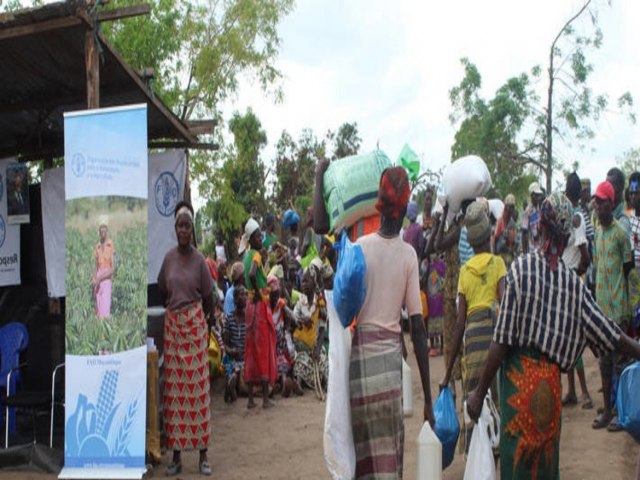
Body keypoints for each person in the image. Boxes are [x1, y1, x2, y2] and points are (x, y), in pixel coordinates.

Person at [466, 192, 640, 480]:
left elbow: (502, 340)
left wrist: (479, 392)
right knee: (545, 466)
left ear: (541, 227)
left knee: (517, 464)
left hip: (518, 389)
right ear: (567, 232)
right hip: (549, 388)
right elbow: (610, 335)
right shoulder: (574, 285)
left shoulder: (520, 269)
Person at [350, 166, 434, 478]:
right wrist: (427, 398)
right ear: (404, 208)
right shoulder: (408, 255)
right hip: (388, 365)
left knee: (364, 455)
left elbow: (347, 307)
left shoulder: (360, 248)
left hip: (359, 363)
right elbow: (419, 330)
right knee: (389, 457)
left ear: (380, 203)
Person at [439, 202, 506, 449]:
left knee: (473, 395)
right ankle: (496, 447)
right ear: (489, 234)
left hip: (472, 341)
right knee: (494, 393)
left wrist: (447, 374)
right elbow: (506, 304)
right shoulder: (497, 264)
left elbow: (459, 324)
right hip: (494, 339)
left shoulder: (465, 271)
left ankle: (475, 449)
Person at [157, 201, 214, 476]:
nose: (183, 230)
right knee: (175, 395)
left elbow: (209, 298)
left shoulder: (200, 260)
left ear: (192, 230)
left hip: (194, 330)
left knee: (199, 393)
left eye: (188, 226)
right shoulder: (168, 259)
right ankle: (177, 458)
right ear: (175, 228)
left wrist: (204, 326)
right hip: (175, 331)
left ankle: (203, 456)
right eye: (180, 225)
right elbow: (161, 289)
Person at [591, 180, 633, 431]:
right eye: (596, 203)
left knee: (620, 363)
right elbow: (596, 267)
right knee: (605, 363)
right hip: (602, 310)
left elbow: (629, 272)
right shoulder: (597, 231)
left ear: (611, 203)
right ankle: (607, 410)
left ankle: (621, 411)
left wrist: (629, 309)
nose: (597, 207)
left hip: (618, 309)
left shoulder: (620, 233)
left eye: (601, 203)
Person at [561, 173, 593, 410]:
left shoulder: (575, 217)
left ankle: (583, 392)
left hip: (570, 276)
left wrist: (580, 270)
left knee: (572, 336)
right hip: (569, 275)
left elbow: (583, 251)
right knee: (568, 335)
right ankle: (573, 390)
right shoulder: (572, 214)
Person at [242, 218, 277, 409]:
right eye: (257, 236)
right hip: (259, 306)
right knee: (263, 349)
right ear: (251, 239)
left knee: (251, 350)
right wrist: (257, 292)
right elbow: (254, 274)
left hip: (250, 306)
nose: (260, 239)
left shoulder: (246, 257)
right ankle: (264, 398)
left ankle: (250, 399)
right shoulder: (255, 255)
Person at [223, 286, 247, 403]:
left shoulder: (248, 319)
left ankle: (232, 382)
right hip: (232, 357)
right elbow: (225, 345)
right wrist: (232, 351)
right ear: (236, 299)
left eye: (246, 295)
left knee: (242, 368)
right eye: (242, 295)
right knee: (232, 365)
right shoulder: (229, 319)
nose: (245, 298)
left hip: (244, 358)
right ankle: (232, 381)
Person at [92, 223, 115, 319]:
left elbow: (113, 268)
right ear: (99, 233)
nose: (103, 234)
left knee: (105, 306)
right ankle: (99, 332)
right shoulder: (97, 246)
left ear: (107, 233)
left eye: (104, 232)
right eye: (101, 232)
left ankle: (106, 330)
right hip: (98, 277)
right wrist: (94, 278)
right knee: (98, 307)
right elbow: (95, 265)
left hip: (106, 278)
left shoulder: (110, 245)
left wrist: (101, 278)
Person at [493, 194, 519, 268]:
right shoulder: (500, 221)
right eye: (509, 207)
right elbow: (496, 239)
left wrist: (513, 249)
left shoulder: (512, 223)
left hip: (509, 256)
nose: (511, 210)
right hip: (500, 256)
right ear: (506, 207)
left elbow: (514, 241)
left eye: (512, 207)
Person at [521, 181, 545, 254]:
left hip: (543, 249)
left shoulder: (543, 208)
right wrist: (525, 254)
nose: (538, 197)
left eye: (539, 195)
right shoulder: (527, 212)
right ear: (532, 196)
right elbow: (524, 233)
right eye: (536, 195)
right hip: (532, 250)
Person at [607, 167, 631, 238]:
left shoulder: (623, 222)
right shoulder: (606, 216)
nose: (606, 189)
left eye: (609, 186)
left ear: (620, 189)